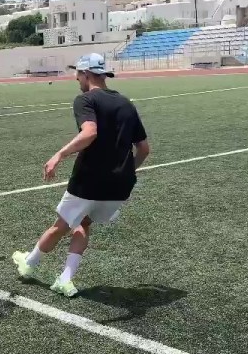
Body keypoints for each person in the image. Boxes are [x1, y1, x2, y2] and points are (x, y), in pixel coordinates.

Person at [12, 53, 150, 297]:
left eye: (78, 74)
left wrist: (59, 155)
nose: (76, 79)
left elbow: (90, 132)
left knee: (60, 226)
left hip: (90, 181)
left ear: (86, 74)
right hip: (120, 187)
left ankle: (29, 264)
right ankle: (65, 278)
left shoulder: (85, 100)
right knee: (83, 222)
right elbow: (144, 149)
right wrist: (125, 172)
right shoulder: (127, 103)